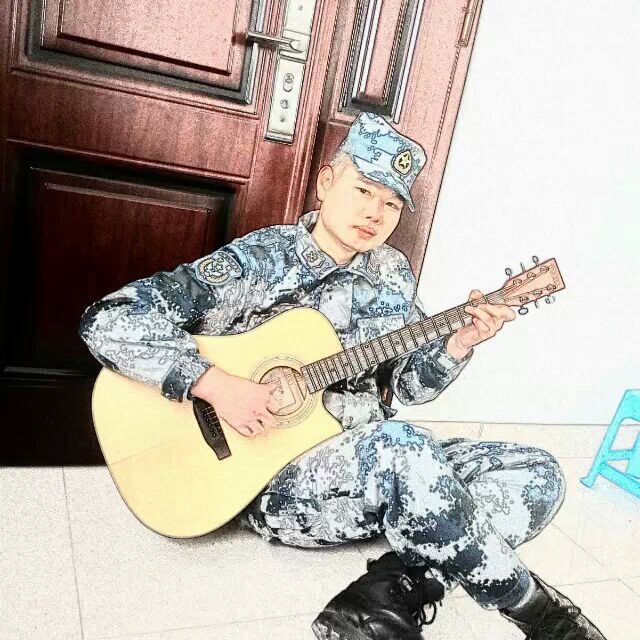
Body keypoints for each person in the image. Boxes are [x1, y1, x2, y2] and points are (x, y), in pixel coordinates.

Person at [79, 112, 606, 640]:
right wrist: (217, 385)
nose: (375, 213)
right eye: (364, 190)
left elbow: (408, 386)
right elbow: (109, 318)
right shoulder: (259, 261)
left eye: (392, 203)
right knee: (402, 445)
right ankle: (542, 616)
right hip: (266, 475)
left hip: (376, 458)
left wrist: (458, 343)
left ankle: (394, 589)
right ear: (326, 182)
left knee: (537, 471)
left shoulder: (392, 275)